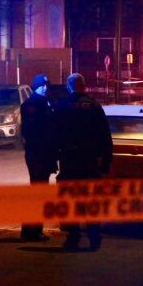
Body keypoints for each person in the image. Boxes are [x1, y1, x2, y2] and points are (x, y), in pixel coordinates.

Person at [55, 73, 113, 251]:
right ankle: (94, 238)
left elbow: (52, 134)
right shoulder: (94, 107)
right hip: (89, 162)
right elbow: (105, 136)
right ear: (85, 85)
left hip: (69, 162)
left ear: (69, 86)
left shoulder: (62, 106)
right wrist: (106, 162)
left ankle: (73, 238)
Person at [20, 73, 59, 241]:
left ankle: (33, 230)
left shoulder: (42, 103)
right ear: (39, 87)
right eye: (44, 86)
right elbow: (32, 130)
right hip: (39, 153)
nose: (46, 88)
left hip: (41, 153)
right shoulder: (33, 104)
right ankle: (32, 231)